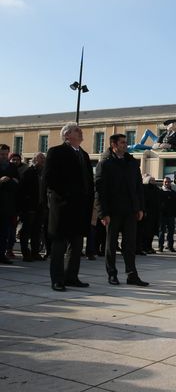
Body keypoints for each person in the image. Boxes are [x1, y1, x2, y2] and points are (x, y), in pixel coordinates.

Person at [43, 123, 94, 291]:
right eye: (75, 130)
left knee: (77, 244)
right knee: (59, 245)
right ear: (67, 136)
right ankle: (57, 279)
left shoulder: (84, 155)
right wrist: (66, 195)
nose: (80, 132)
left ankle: (71, 276)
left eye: (79, 130)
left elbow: (88, 181)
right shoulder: (56, 152)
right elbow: (49, 179)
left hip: (80, 208)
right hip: (63, 206)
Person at [95, 133, 148, 287]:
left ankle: (132, 275)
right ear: (114, 145)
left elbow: (139, 187)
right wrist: (102, 213)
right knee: (111, 244)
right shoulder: (105, 163)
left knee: (130, 244)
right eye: (123, 142)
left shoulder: (132, 162)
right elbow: (99, 190)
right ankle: (112, 274)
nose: (126, 145)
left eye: (126, 142)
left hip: (130, 210)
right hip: (113, 211)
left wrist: (140, 208)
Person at [18, 152, 45, 261]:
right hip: (29, 207)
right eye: (41, 158)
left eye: (44, 158)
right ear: (34, 160)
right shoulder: (28, 172)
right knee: (26, 231)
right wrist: (24, 206)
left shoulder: (44, 172)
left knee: (37, 231)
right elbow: (22, 191)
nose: (43, 160)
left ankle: (35, 252)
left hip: (40, 206)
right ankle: (25, 253)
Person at [0, 144, 19, 265]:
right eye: (2, 154)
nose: (4, 156)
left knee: (4, 232)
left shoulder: (12, 166)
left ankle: (1, 255)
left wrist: (10, 181)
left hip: (7, 205)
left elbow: (17, 182)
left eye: (6, 154)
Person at [140, 175, 160, 254]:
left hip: (154, 214)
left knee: (152, 232)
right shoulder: (145, 189)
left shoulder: (156, 190)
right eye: (151, 180)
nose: (153, 182)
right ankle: (144, 247)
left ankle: (149, 246)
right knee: (145, 232)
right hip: (147, 214)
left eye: (154, 180)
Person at [158, 177, 176, 252]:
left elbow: (175, 204)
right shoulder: (160, 191)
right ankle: (160, 246)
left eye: (168, 182)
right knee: (161, 231)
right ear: (163, 182)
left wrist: (174, 212)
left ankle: (170, 246)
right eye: (165, 182)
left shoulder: (173, 192)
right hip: (162, 215)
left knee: (171, 231)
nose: (167, 183)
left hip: (171, 215)